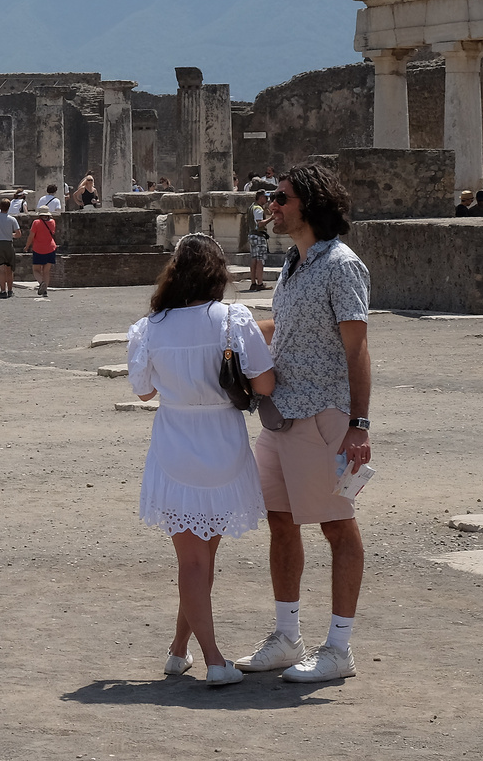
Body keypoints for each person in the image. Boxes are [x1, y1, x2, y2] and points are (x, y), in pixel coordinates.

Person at [239, 164, 372, 683]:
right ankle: (287, 637)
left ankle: (338, 647)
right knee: (280, 520)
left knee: (338, 525)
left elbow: (357, 347)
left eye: (281, 197)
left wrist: (359, 423)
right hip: (280, 416)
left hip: (321, 415)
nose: (272, 205)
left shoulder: (341, 266)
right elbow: (289, 328)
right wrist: (229, 321)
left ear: (308, 204)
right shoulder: (294, 263)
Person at [128, 234, 274, 687]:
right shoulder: (234, 319)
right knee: (202, 558)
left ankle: (183, 651)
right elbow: (265, 385)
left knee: (192, 560)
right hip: (223, 441)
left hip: (175, 442)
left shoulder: (150, 327)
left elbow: (143, 390)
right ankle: (206, 657)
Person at [28, 206, 57, 297]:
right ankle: (45, 290)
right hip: (51, 248)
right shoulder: (52, 222)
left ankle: (41, 283)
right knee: (46, 271)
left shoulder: (36, 222)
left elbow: (31, 236)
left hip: (38, 248)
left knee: (36, 270)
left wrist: (27, 246)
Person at [246, 190, 270, 292]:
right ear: (261, 198)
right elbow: (259, 224)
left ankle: (253, 283)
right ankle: (260, 283)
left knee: (254, 259)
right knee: (260, 260)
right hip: (259, 236)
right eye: (265, 198)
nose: (267, 200)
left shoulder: (252, 207)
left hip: (252, 235)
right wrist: (271, 218)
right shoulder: (258, 209)